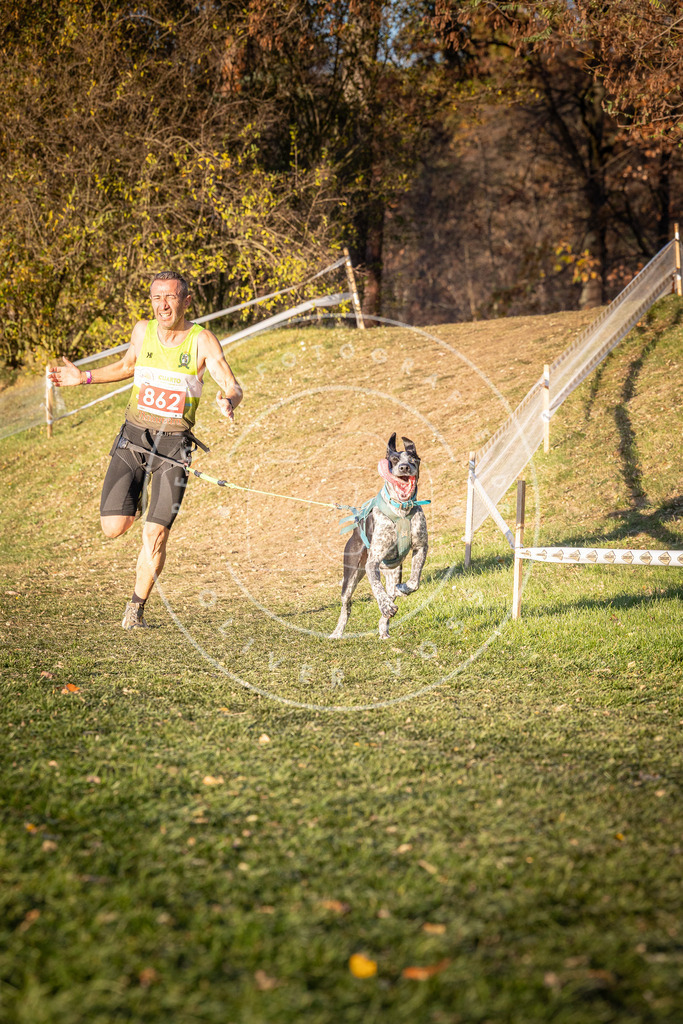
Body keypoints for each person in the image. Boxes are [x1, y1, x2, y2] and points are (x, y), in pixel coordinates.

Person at [48, 270, 243, 629]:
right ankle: (136, 496)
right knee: (113, 527)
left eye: (170, 297)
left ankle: (135, 609)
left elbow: (231, 383)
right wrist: (84, 377)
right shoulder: (142, 331)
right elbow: (127, 366)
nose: (163, 305)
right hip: (134, 437)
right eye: (156, 298)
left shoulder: (202, 341)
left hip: (175, 445)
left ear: (186, 301)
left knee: (156, 533)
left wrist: (229, 399)